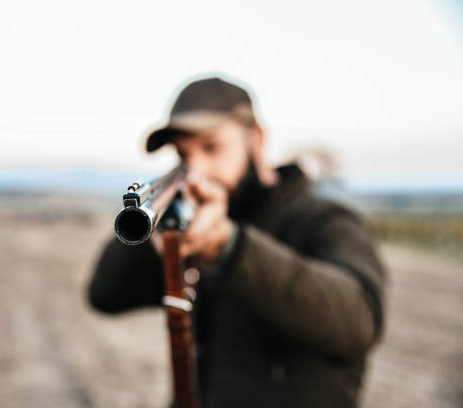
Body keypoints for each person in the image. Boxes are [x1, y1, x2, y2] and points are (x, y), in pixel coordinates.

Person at [87, 76, 386, 407]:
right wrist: (158, 237)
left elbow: (359, 321)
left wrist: (228, 247)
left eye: (211, 147)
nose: (195, 168)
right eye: (183, 154)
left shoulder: (325, 220)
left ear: (256, 139)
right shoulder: (191, 222)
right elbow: (104, 294)